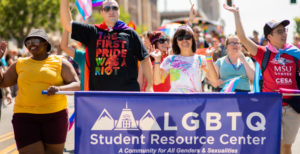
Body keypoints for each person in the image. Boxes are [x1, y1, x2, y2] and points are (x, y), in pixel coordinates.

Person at [224, 4, 300, 154]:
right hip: (271, 106)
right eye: (279, 31)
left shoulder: (295, 53)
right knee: (273, 145)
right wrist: (236, 15)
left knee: (286, 147)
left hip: (292, 107)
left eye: (284, 30)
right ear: (269, 37)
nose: (284, 34)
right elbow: (243, 39)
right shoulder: (263, 53)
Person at [0, 29, 80, 153]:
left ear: (45, 43)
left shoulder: (60, 62)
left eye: (35, 40)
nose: (31, 44)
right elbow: (3, 82)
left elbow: (77, 84)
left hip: (55, 117)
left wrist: (59, 89)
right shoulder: (20, 63)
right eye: (28, 42)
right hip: (25, 118)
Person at [60, 0, 153, 92]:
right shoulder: (92, 31)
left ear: (119, 11)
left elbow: (145, 58)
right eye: (107, 8)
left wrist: (149, 86)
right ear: (102, 12)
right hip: (99, 96)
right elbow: (67, 24)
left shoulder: (131, 33)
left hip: (127, 95)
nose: (111, 11)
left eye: (115, 8)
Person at [151, 25, 219, 92]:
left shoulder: (201, 59)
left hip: (195, 102)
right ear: (176, 41)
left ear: (192, 39)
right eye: (180, 37)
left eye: (187, 37)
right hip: (176, 101)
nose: (184, 40)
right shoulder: (170, 60)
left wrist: (209, 58)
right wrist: (157, 60)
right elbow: (157, 81)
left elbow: (215, 81)